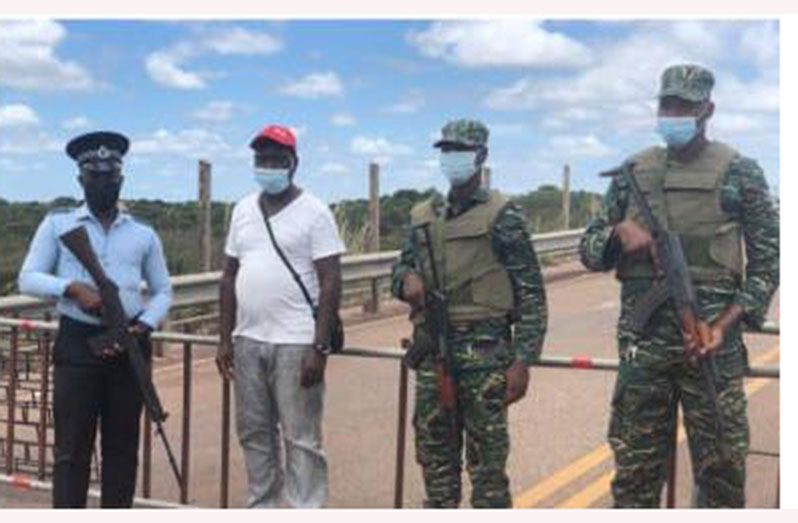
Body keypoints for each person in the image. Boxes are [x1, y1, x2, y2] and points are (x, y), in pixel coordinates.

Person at [579, 64, 780, 508]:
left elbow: (768, 264)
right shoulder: (634, 171)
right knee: (634, 479)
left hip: (711, 352)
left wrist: (725, 324)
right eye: (666, 104)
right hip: (644, 354)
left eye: (684, 106)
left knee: (722, 474)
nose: (672, 112)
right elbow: (589, 250)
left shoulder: (740, 172)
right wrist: (617, 234)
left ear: (707, 109)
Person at [390, 119, 548, 508]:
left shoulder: (504, 214)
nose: (452, 158)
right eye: (446, 151)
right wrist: (406, 279)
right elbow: (398, 269)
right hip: (433, 355)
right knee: (436, 467)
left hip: (486, 360)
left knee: (488, 474)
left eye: (460, 151)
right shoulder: (423, 216)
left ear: (481, 156)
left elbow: (531, 293)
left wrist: (523, 361)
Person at [17, 131, 173, 508]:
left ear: (120, 179)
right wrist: (71, 288)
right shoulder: (59, 226)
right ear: (80, 180)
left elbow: (164, 290)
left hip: (130, 342)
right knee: (71, 452)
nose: (103, 183)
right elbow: (28, 277)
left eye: (110, 177)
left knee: (122, 450)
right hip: (77, 346)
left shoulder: (143, 234)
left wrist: (145, 324)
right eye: (94, 176)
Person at [216, 124, 344, 508]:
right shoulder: (243, 209)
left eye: (276, 159)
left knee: (300, 439)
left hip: (295, 342)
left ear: (294, 163)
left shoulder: (315, 212)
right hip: (248, 340)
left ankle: (306, 509)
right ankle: (262, 507)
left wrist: (318, 346)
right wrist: (225, 339)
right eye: (261, 159)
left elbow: (331, 281)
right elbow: (228, 275)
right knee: (254, 433)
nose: (267, 166)